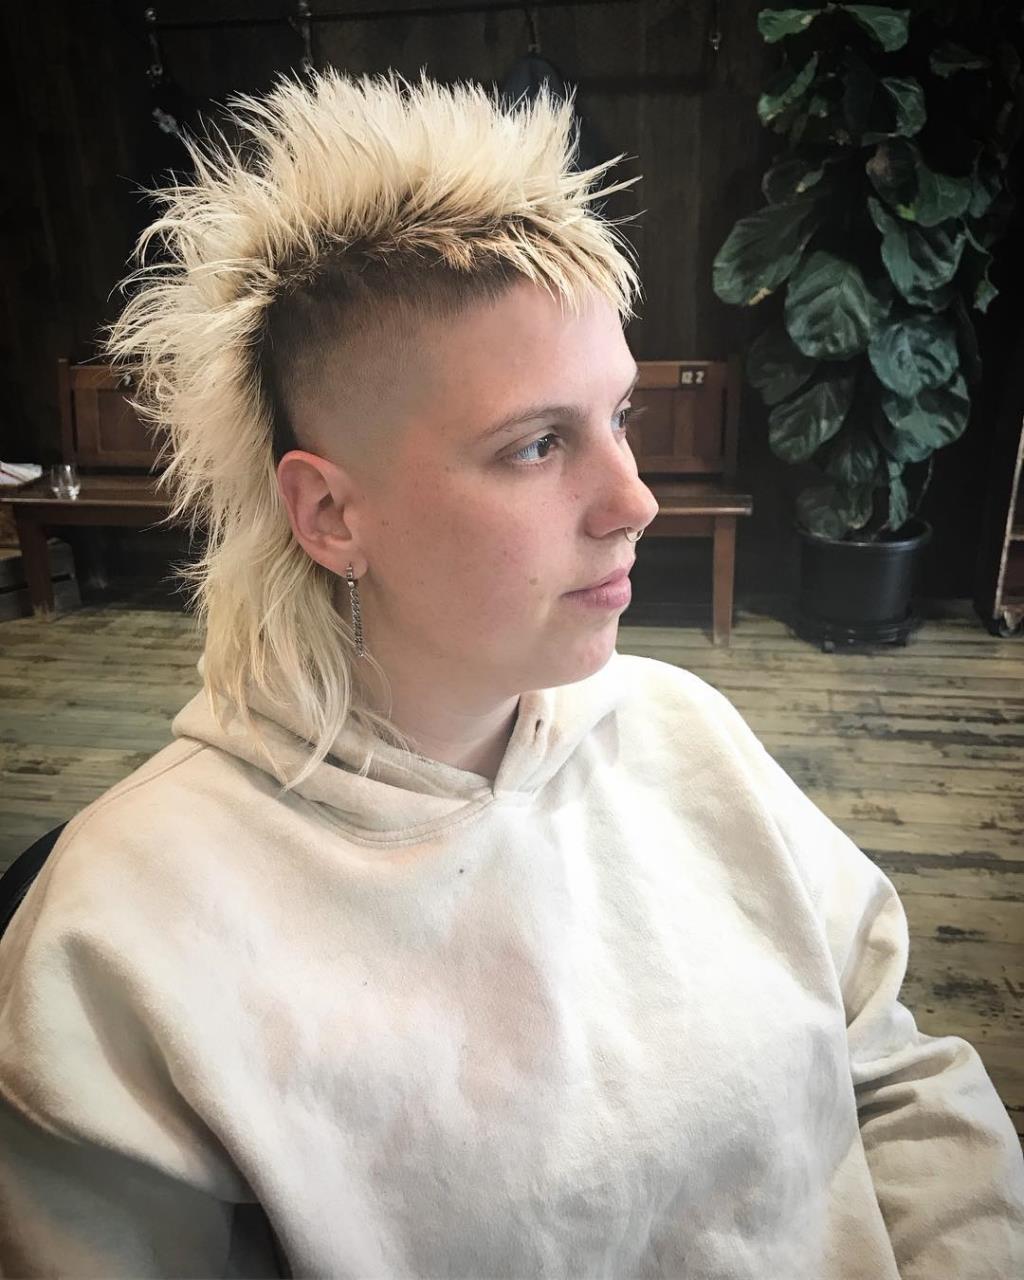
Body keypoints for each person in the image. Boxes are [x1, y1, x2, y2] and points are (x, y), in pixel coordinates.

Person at [0, 66, 1021, 1280]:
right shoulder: (119, 940)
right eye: (537, 444)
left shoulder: (682, 727)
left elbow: (893, 1070)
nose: (635, 501)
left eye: (619, 417)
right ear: (330, 513)